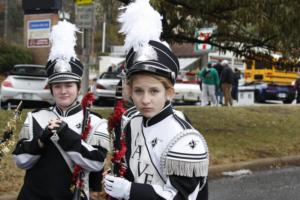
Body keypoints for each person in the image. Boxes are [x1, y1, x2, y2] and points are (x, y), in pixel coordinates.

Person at [103, 1, 209, 199]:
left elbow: (179, 196)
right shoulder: (130, 121)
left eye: (154, 91)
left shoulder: (184, 136)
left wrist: (128, 190)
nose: (145, 100)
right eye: (138, 91)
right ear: (129, 91)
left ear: (169, 92)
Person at [12, 20, 110, 200]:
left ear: (78, 87)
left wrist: (66, 134)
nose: (63, 91)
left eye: (68, 85)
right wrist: (40, 141)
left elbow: (96, 163)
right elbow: (20, 161)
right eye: (57, 86)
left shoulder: (96, 122)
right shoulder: (35, 117)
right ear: (51, 89)